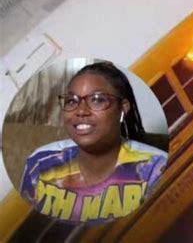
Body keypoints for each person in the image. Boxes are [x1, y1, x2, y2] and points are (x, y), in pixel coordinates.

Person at [20, 62, 168, 224]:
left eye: (97, 100)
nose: (81, 111)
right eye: (71, 101)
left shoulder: (154, 167)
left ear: (122, 109)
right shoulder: (40, 164)